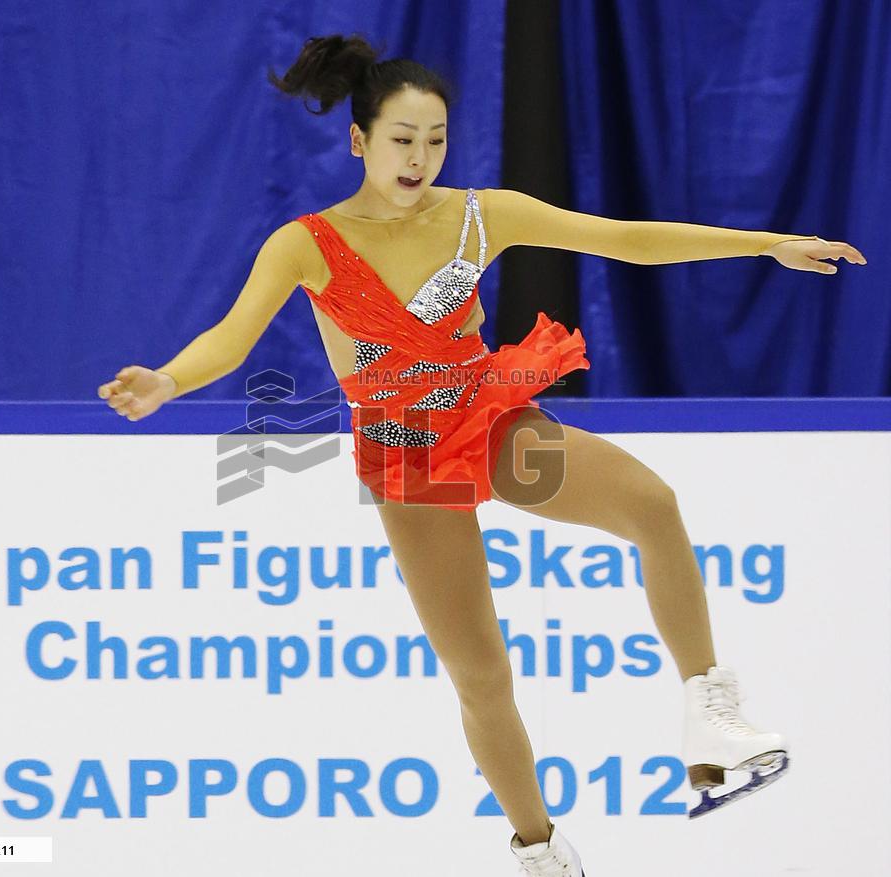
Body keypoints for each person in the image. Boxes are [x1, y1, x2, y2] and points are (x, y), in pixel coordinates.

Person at [97, 33, 867, 877]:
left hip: (485, 418)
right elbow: (232, 339)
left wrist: (762, 245)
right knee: (482, 674)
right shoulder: (306, 242)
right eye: (402, 139)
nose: (420, 157)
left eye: (435, 139)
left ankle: (708, 716)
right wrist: (168, 378)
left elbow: (621, 238)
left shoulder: (480, 214)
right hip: (403, 456)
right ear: (360, 141)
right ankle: (540, 849)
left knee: (652, 505)